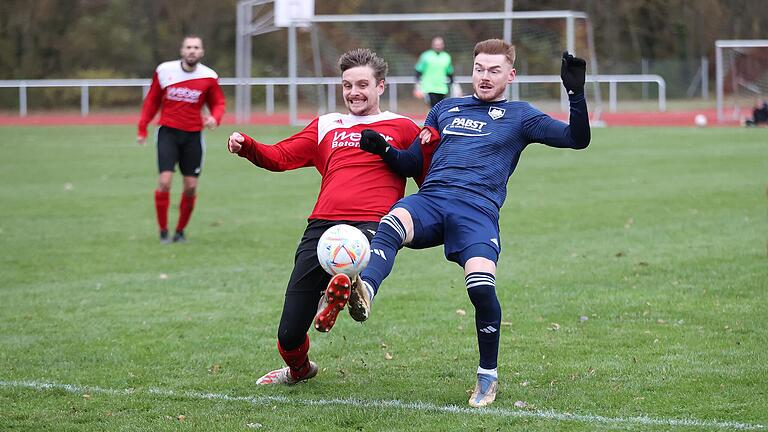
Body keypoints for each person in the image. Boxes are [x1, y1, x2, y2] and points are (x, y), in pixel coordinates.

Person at [341, 39, 591, 407]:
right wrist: (383, 149)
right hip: (432, 200)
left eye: (494, 70)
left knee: (480, 288)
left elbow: (577, 139)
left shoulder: (522, 116)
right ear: (471, 70)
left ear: (511, 74)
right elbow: (411, 163)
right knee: (392, 222)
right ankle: (366, 291)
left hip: (477, 212)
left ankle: (487, 377)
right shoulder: (444, 108)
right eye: (479, 69)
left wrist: (575, 92)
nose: (485, 77)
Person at [225, 48, 437, 385]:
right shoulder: (327, 125)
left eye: (362, 85)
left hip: (373, 224)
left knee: (352, 256)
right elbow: (280, 156)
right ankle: (300, 368)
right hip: (321, 228)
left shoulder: (402, 127)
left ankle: (345, 289)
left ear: (381, 86)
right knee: (288, 335)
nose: (354, 92)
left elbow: (427, 178)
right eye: (347, 85)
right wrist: (247, 145)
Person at [137, 35, 226, 244]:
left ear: (202, 52)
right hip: (168, 132)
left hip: (193, 136)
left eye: (196, 47)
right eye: (188, 47)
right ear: (182, 50)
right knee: (165, 181)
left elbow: (219, 103)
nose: (192, 50)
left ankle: (180, 231)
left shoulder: (209, 76)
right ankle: (163, 232)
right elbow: (151, 101)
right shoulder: (164, 71)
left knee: (190, 187)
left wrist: (215, 118)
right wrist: (142, 128)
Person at [413, 36, 454, 108]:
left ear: (443, 45)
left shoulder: (446, 57)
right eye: (436, 44)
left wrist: (454, 86)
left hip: (442, 88)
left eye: (440, 44)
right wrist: (417, 86)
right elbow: (418, 71)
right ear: (432, 45)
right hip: (429, 88)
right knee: (434, 108)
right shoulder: (426, 56)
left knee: (441, 108)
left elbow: (450, 73)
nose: (438, 46)